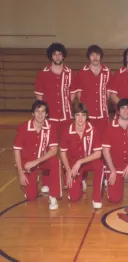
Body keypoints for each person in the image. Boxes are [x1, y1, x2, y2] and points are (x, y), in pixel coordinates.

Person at [34, 42, 77, 192]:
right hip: (49, 118)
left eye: (60, 54)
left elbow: (72, 95)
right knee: (47, 148)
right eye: (54, 54)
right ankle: (46, 181)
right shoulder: (43, 73)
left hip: (65, 117)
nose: (57, 56)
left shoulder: (70, 73)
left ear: (63, 55)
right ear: (50, 56)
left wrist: (64, 107)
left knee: (68, 148)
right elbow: (39, 96)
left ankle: (68, 177)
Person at [13, 100, 61, 210]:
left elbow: (53, 150)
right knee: (31, 197)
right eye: (37, 111)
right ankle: (33, 181)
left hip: (41, 161)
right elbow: (16, 152)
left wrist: (36, 161)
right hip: (27, 164)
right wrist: (21, 174)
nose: (40, 114)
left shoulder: (51, 127)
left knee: (55, 161)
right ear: (33, 113)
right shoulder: (23, 128)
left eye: (43, 111)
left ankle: (53, 197)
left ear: (47, 114)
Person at [60, 102, 104, 209]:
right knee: (74, 198)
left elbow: (98, 153)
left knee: (100, 165)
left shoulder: (93, 130)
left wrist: (80, 162)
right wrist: (68, 171)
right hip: (72, 165)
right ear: (73, 116)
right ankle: (80, 182)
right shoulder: (66, 131)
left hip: (87, 161)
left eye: (83, 115)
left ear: (86, 116)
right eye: (78, 115)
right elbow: (62, 153)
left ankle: (96, 197)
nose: (80, 119)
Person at [73, 45, 111, 131]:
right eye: (92, 55)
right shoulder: (82, 72)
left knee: (103, 141)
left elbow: (108, 94)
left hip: (103, 115)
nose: (95, 57)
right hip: (88, 115)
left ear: (101, 56)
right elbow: (79, 94)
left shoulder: (107, 72)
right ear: (88, 57)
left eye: (97, 55)